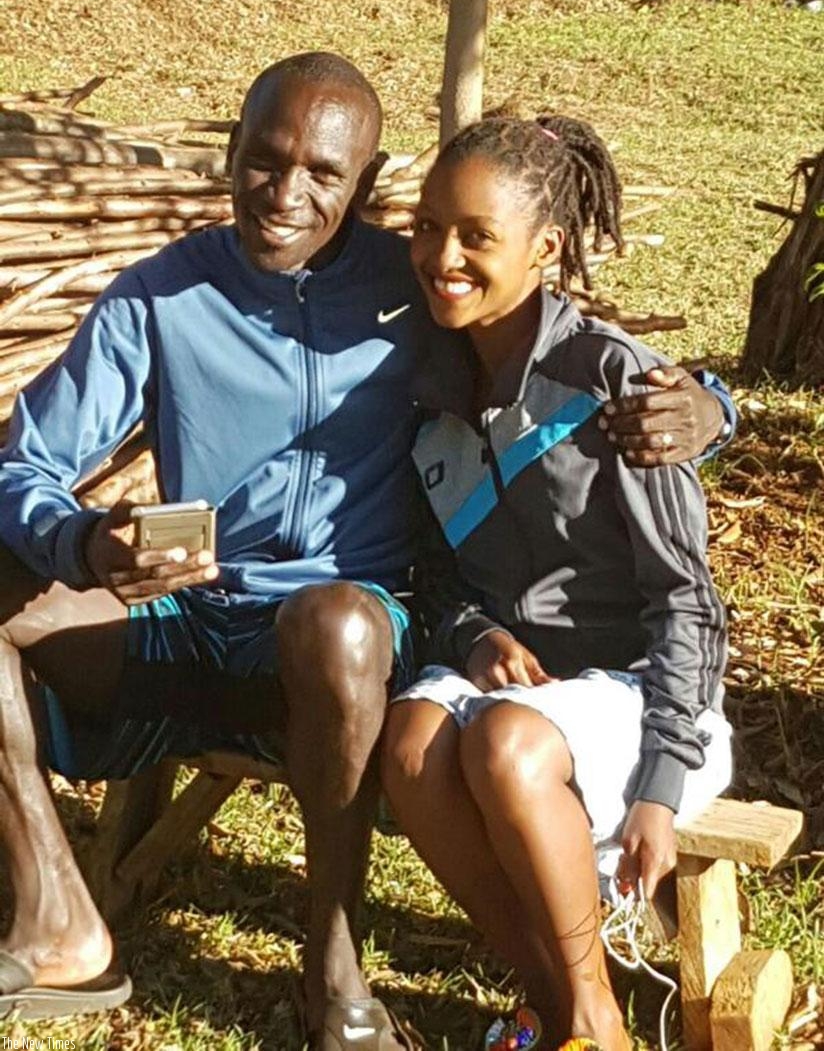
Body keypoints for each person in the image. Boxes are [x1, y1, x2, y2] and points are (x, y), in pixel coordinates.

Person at [0, 54, 729, 1048]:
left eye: (322, 174)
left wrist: (710, 407)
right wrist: (83, 540)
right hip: (193, 617)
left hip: (350, 646)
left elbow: (562, 358)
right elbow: (25, 465)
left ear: (366, 179)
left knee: (336, 620)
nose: (284, 195)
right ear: (231, 151)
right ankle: (56, 910)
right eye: (264, 161)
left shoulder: (415, 288)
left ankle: (336, 969)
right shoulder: (162, 297)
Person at [381, 117, 733, 1051]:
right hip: (525, 692)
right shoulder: (426, 391)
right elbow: (432, 575)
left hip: (650, 702)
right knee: (410, 744)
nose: (442, 258)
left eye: (476, 237)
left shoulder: (616, 385)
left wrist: (662, 785)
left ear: (545, 249)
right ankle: (560, 997)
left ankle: (593, 1024)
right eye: (427, 227)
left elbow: (688, 599)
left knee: (505, 741)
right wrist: (472, 635)